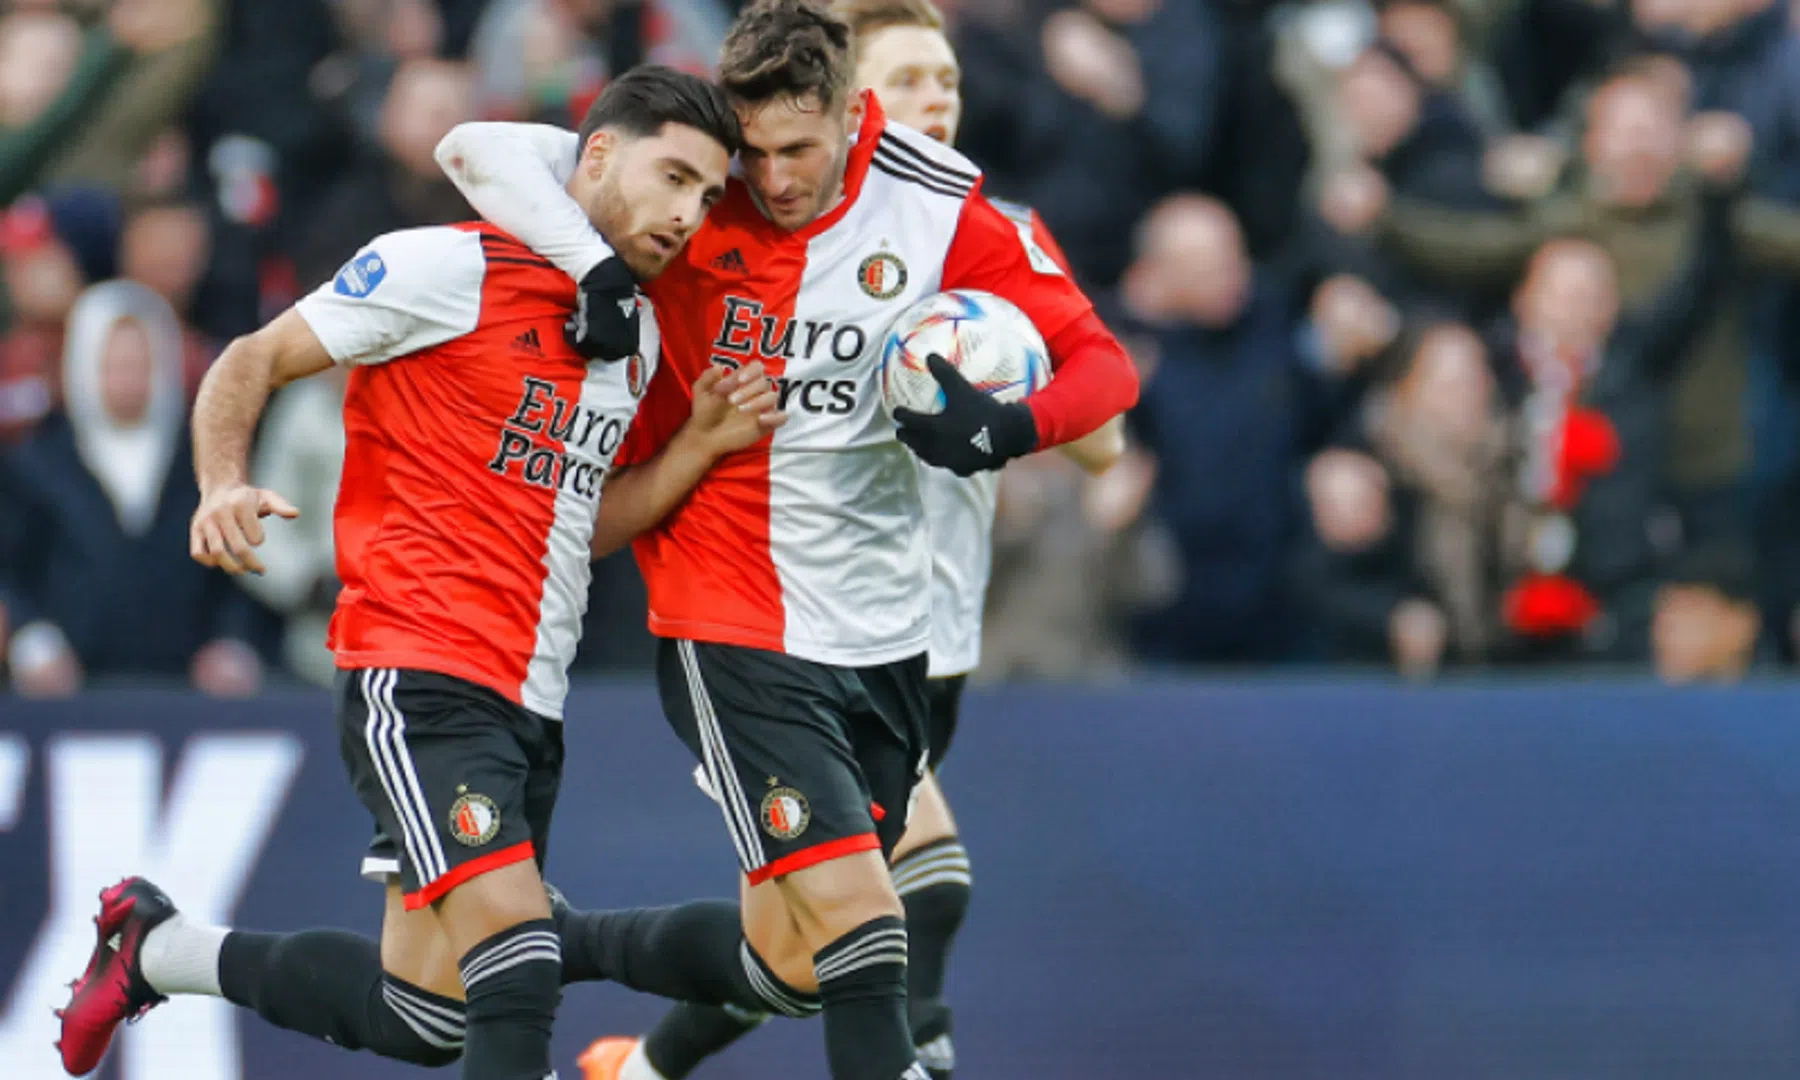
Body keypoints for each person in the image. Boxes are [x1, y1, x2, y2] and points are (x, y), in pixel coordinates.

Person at [434, 3, 1139, 1079]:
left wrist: (1010, 422)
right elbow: (473, 149)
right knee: (875, 928)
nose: (769, 178)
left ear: (854, 117)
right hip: (733, 620)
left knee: (791, 962)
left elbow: (1102, 370)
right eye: (751, 152)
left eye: (797, 150)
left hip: (887, 633)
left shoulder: (942, 208)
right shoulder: (697, 172)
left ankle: (550, 948)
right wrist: (596, 266)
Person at [54, 66, 771, 1080]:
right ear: (597, 155)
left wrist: (694, 449)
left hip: (532, 698)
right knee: (517, 964)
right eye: (674, 177)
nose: (688, 213)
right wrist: (221, 483)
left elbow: (581, 522)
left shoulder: (633, 337)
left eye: (705, 197)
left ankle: (157, 949)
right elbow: (249, 360)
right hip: (420, 670)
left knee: (426, 1017)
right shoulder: (444, 268)